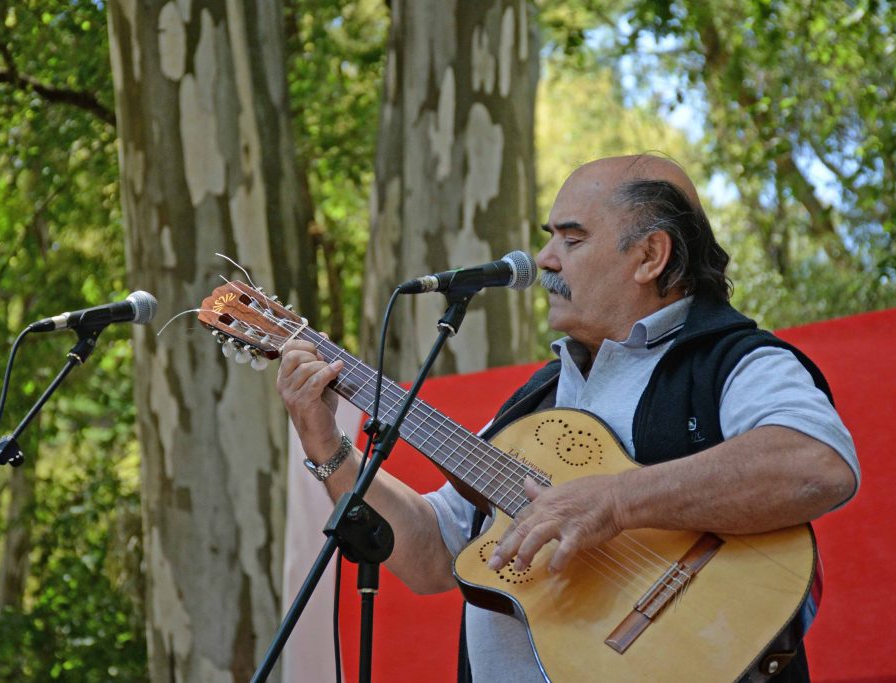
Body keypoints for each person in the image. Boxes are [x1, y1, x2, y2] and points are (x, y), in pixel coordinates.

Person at [277, 154, 860, 682]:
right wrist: (329, 448)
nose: (545, 259)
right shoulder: (536, 401)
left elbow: (815, 463)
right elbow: (431, 554)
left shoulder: (733, 359)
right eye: (548, 238)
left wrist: (615, 501)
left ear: (650, 256)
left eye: (572, 239)